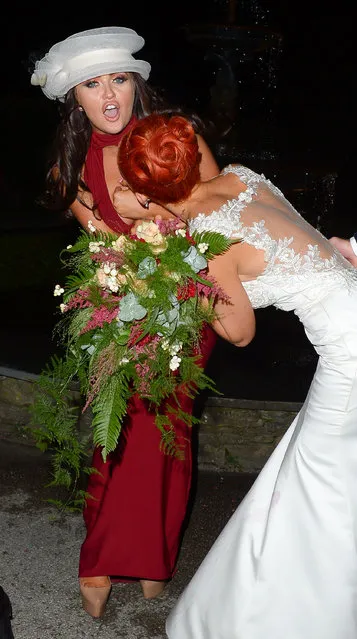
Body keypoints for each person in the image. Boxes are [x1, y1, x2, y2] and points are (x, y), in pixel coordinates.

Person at [117, 112, 357, 639]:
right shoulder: (244, 176)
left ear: (148, 194)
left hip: (350, 354)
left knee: (323, 482)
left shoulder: (208, 244)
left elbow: (242, 333)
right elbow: (302, 239)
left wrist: (181, 280)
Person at [30, 27, 219, 618]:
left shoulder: (176, 136)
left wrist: (178, 263)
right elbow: (105, 247)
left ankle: (141, 556)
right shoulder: (76, 165)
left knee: (168, 435)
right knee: (125, 431)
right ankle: (117, 555)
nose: (108, 96)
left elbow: (225, 214)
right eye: (92, 85)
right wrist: (113, 296)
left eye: (118, 80)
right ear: (74, 98)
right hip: (128, 311)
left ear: (137, 84)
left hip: (191, 308)